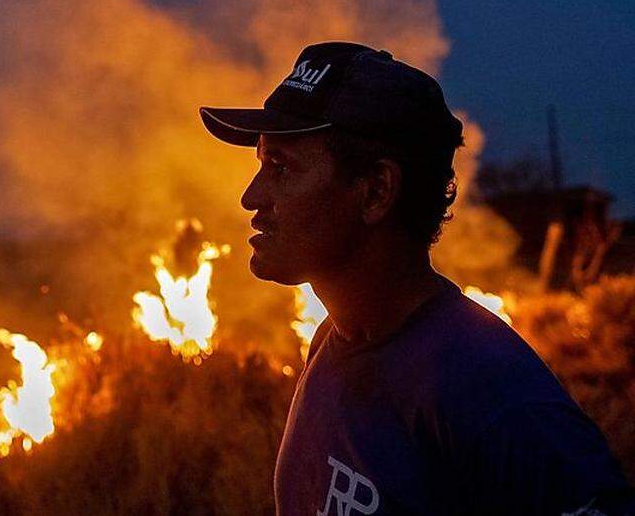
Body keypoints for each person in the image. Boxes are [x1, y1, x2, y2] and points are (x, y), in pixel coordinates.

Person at [200, 42, 634, 516]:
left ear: (376, 191)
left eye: (281, 167)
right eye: (261, 164)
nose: (251, 196)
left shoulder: (494, 398)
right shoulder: (333, 339)